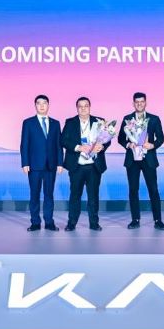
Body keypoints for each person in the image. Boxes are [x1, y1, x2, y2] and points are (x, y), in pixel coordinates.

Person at [117, 92, 164, 230]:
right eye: (137, 102)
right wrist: (128, 144)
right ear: (133, 103)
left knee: (153, 190)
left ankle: (158, 220)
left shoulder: (154, 119)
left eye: (142, 102)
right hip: (132, 160)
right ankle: (135, 219)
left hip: (148, 159)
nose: (139, 104)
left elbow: (161, 138)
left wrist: (153, 145)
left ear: (146, 103)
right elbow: (120, 138)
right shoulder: (127, 119)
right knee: (133, 190)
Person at [61, 97, 110, 231]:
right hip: (76, 166)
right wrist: (79, 147)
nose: (83, 108)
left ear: (90, 107)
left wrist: (102, 146)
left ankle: (94, 223)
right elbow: (63, 140)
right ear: (77, 108)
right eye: (80, 106)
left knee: (93, 196)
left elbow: (107, 140)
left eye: (86, 106)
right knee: (75, 196)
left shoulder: (99, 121)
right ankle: (71, 223)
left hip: (94, 166)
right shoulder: (70, 122)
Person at [20, 94, 63, 231]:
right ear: (35, 106)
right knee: (34, 194)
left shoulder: (56, 123)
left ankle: (49, 222)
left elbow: (58, 145)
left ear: (48, 105)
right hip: (34, 165)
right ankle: (35, 222)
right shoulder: (28, 123)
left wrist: (60, 163)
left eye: (44, 103)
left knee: (49, 195)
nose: (42, 105)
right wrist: (25, 163)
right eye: (39, 103)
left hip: (51, 165)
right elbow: (24, 144)